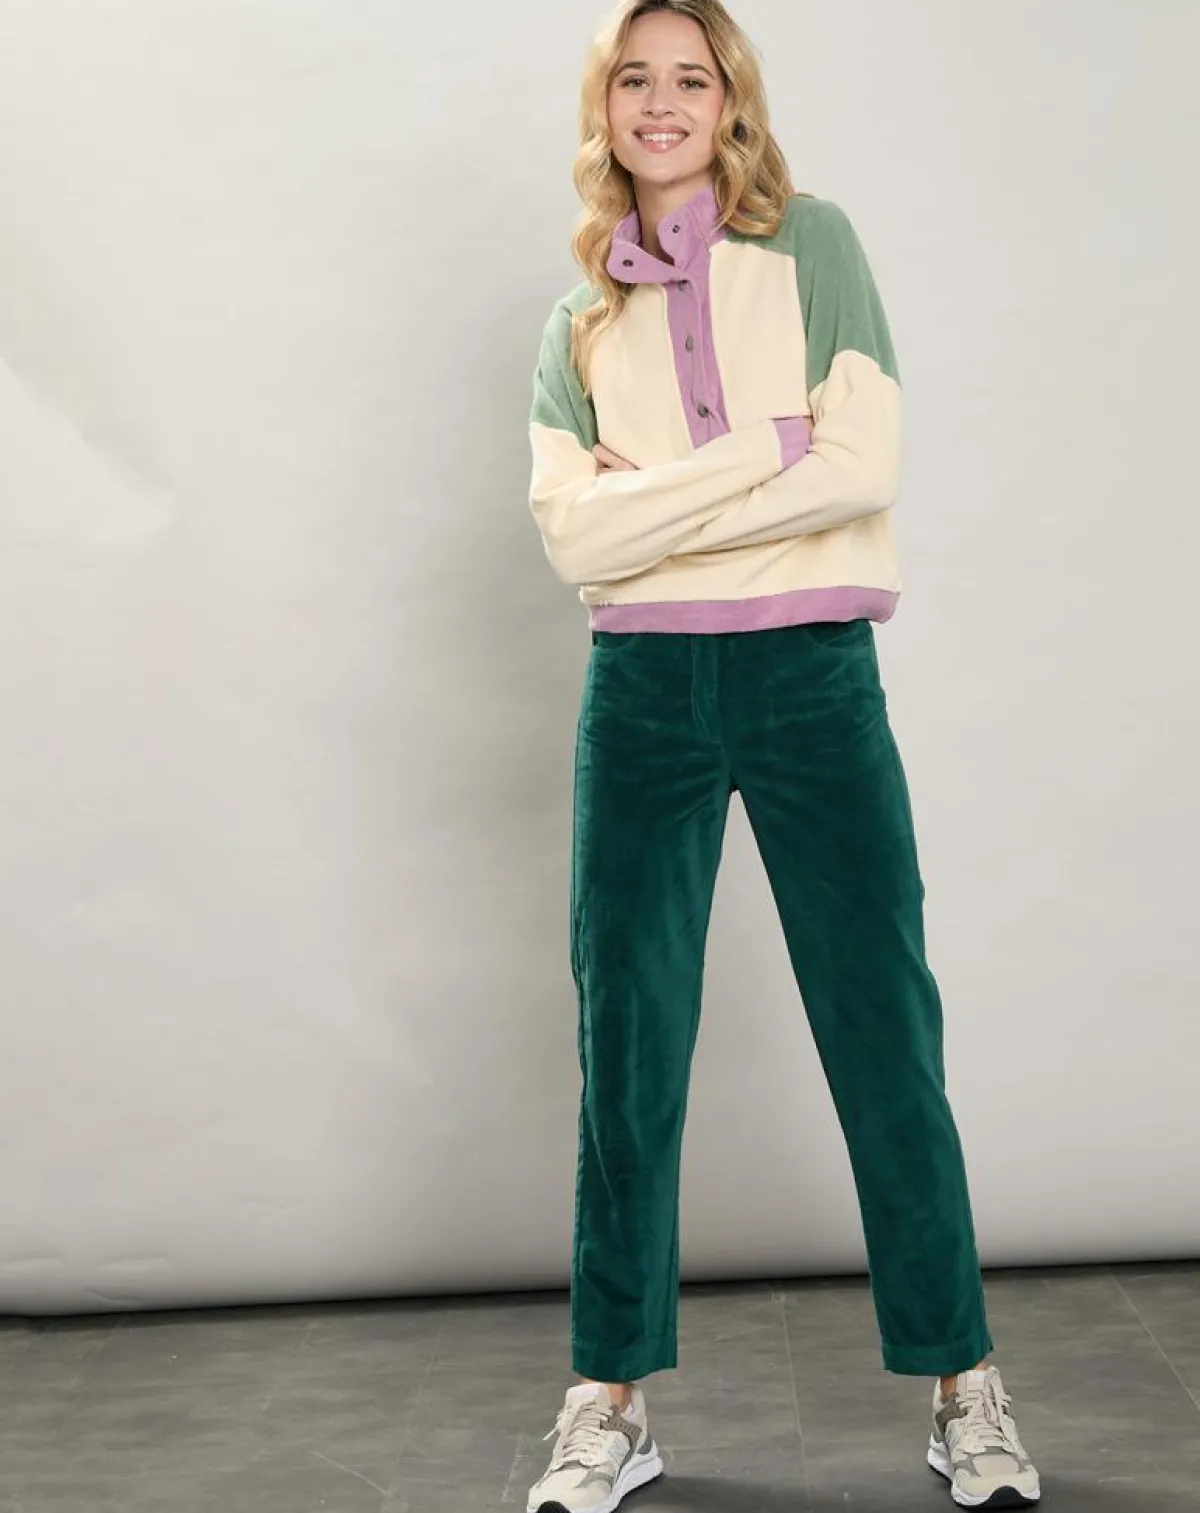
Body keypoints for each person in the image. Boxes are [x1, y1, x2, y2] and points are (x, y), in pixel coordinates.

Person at [523, 2, 1041, 1509]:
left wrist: (660, 497)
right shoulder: (576, 319)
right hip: (643, 691)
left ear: (730, 101)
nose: (662, 101)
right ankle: (609, 1399)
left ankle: (964, 1383)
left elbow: (866, 464)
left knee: (883, 1026)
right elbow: (574, 541)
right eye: (635, 78)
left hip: (814, 673)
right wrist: (774, 447)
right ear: (606, 107)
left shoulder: (816, 246)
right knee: (629, 1045)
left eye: (691, 77)